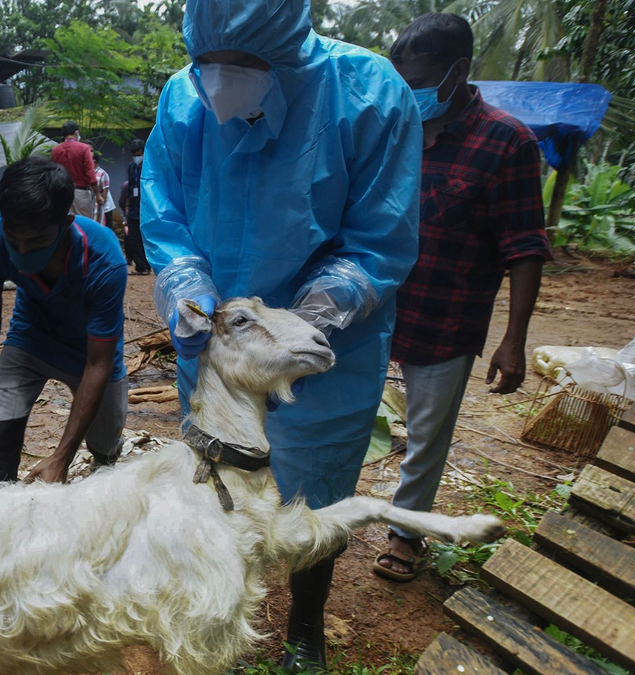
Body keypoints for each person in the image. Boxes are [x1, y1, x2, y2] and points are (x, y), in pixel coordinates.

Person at [140, 0, 421, 670]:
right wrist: (186, 290)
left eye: (240, 63)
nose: (217, 81)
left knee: (315, 492)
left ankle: (305, 625)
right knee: (218, 483)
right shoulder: (182, 102)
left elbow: (379, 240)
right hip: (216, 355)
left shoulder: (369, 96)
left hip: (325, 357)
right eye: (204, 61)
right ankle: (220, 607)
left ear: (287, 49)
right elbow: (165, 214)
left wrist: (299, 324)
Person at [374, 14, 550, 583]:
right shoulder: (393, 131)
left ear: (459, 71)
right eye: (402, 83)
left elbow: (525, 246)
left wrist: (514, 340)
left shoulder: (506, 142)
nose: (410, 95)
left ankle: (406, 533)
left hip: (445, 318)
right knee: (346, 414)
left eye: (419, 83)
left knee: (426, 437)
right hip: (375, 311)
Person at [0, 157, 129, 484]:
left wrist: (61, 457)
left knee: (105, 447)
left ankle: (101, 468)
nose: (23, 252)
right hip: (30, 338)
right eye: (14, 240)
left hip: (91, 353)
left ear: (66, 223)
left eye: (37, 241)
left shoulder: (104, 260)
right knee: (2, 440)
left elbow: (98, 363)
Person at [50, 120, 101, 218]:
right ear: (76, 133)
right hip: (80, 192)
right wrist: (97, 194)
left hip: (62, 193)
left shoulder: (55, 150)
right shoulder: (84, 148)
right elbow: (90, 174)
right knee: (84, 223)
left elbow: (53, 174)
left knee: (64, 222)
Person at [118, 137, 150, 274]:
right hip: (133, 207)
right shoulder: (131, 167)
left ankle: (146, 265)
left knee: (145, 238)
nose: (137, 157)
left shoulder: (149, 165)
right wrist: (127, 207)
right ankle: (141, 266)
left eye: (139, 154)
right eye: (134, 155)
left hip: (146, 207)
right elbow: (130, 188)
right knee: (133, 237)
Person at [93, 151, 116, 228]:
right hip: (95, 205)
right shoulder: (90, 173)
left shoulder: (103, 173)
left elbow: (105, 192)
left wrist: (100, 207)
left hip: (105, 207)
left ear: (94, 161)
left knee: (106, 227)